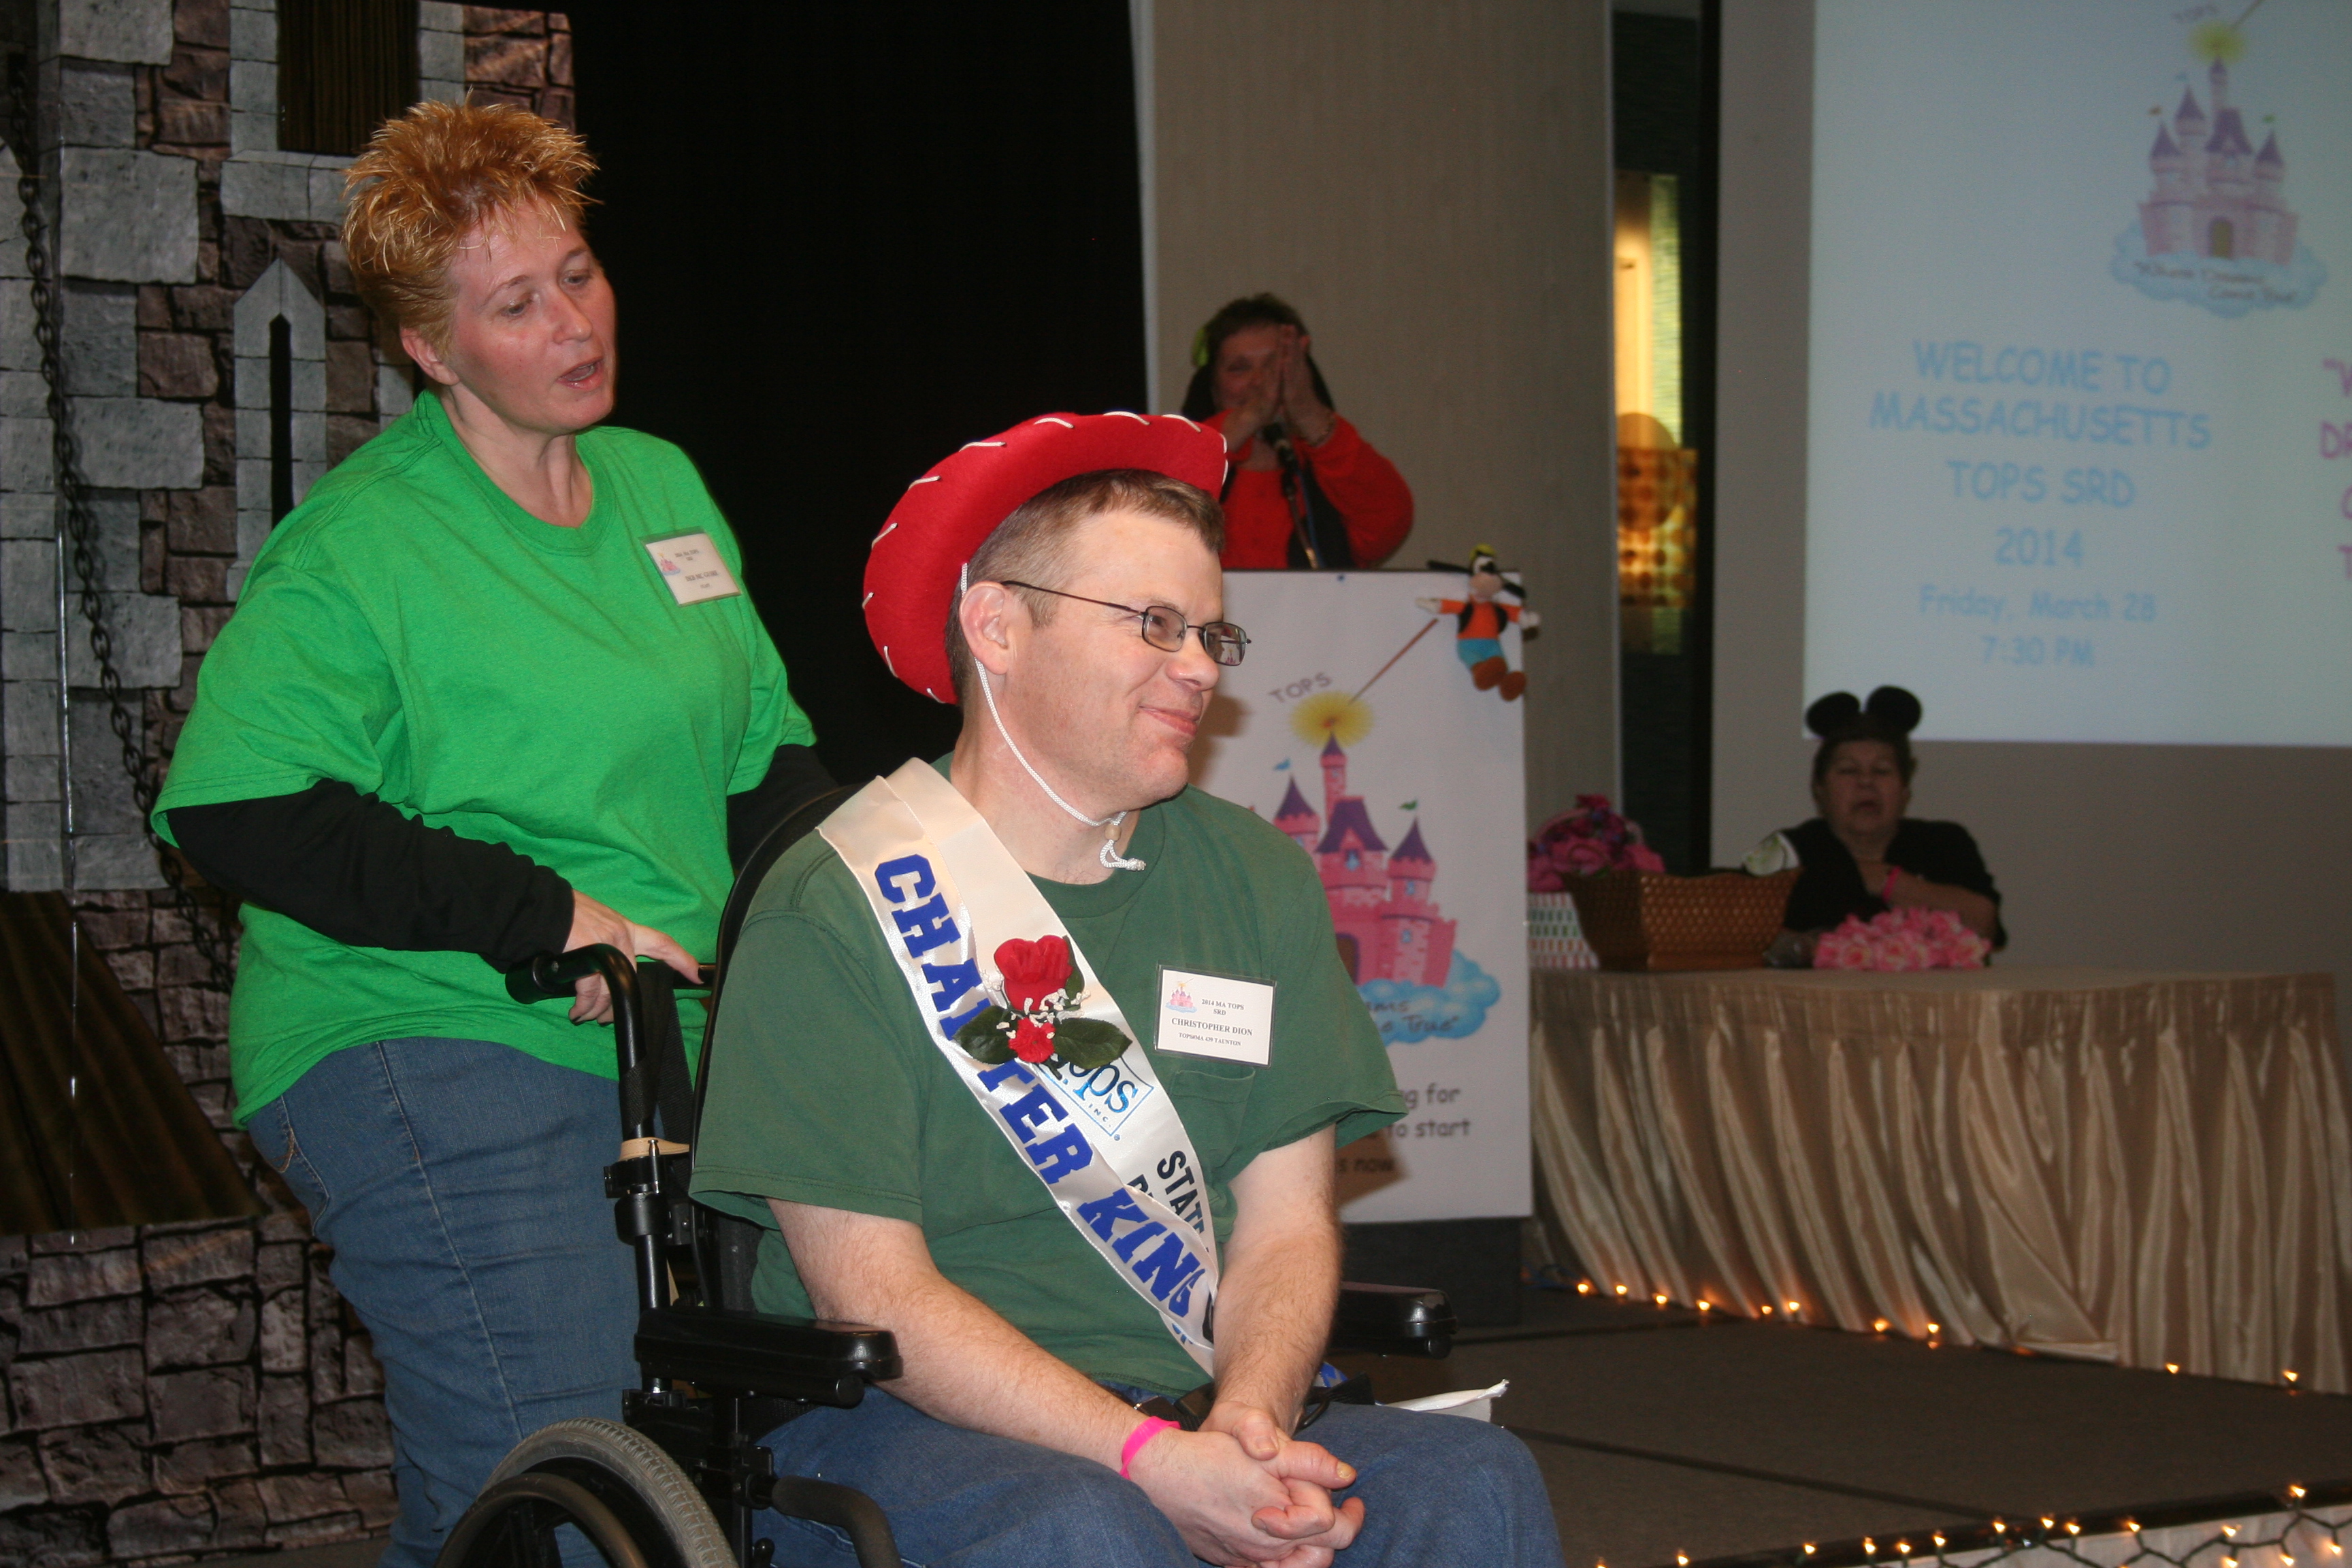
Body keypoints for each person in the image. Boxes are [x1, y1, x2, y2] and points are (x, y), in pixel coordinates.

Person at [691, 412, 1561, 1566]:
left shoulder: (1254, 876)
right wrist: (1150, 1459)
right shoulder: (836, 905)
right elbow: (876, 1293)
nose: (1199, 665)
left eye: (1210, 631)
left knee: (1475, 1483)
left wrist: (1248, 1427)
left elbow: (1286, 1222)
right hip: (905, 1422)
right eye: (1153, 623)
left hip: (1198, 1398)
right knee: (1087, 1529)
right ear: (998, 625)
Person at [152, 102, 829, 1567]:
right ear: (431, 350)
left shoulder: (661, 487)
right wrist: (549, 915)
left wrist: (873, 890)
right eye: (516, 304)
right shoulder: (365, 544)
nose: (573, 323)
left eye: (577, 274)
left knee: (776, 1440)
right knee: (565, 1483)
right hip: (425, 1036)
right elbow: (237, 806)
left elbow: (762, 763)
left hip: (667, 1040)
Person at [1180, 293, 1414, 570]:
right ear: (1212, 387)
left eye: (1274, 366)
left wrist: (1306, 411)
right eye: (1239, 369)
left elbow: (1388, 522)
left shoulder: (1330, 470)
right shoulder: (1184, 460)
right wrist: (1252, 415)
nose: (1260, 382)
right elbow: (1153, 502)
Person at [1776, 686, 2004, 950]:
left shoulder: (1945, 843)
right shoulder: (1787, 850)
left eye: (1882, 771)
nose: (1866, 782)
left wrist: (1885, 881)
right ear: (1819, 789)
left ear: (1905, 788)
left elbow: (1985, 926)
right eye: (1848, 771)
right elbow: (1745, 929)